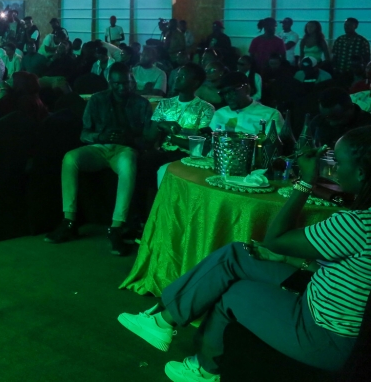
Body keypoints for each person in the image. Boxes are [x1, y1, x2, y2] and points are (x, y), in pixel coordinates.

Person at [117, 125, 371, 381]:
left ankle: (205, 370)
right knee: (238, 254)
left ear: (361, 172)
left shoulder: (358, 224)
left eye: (337, 162)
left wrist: (306, 182)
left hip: (324, 334)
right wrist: (285, 259)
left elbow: (275, 239)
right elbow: (354, 276)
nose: (334, 169)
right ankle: (163, 320)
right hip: (328, 304)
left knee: (235, 293)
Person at [45, 63, 151, 256]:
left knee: (128, 163)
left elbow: (148, 138)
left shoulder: (141, 103)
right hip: (98, 148)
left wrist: (129, 139)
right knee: (70, 158)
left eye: (125, 83)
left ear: (131, 82)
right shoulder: (97, 100)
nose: (122, 87)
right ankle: (69, 221)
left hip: (125, 150)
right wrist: (101, 137)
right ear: (110, 82)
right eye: (117, 83)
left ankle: (117, 226)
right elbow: (84, 133)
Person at [207, 71, 284, 136]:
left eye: (231, 91)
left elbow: (272, 148)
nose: (228, 97)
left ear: (247, 89)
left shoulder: (270, 115)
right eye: (224, 93)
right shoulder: (219, 114)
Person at [333, 18, 371, 83]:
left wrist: (363, 72)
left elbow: (366, 59)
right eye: (345, 25)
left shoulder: (362, 41)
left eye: (349, 25)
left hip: (355, 74)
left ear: (355, 26)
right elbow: (335, 56)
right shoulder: (339, 40)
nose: (346, 27)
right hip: (339, 72)